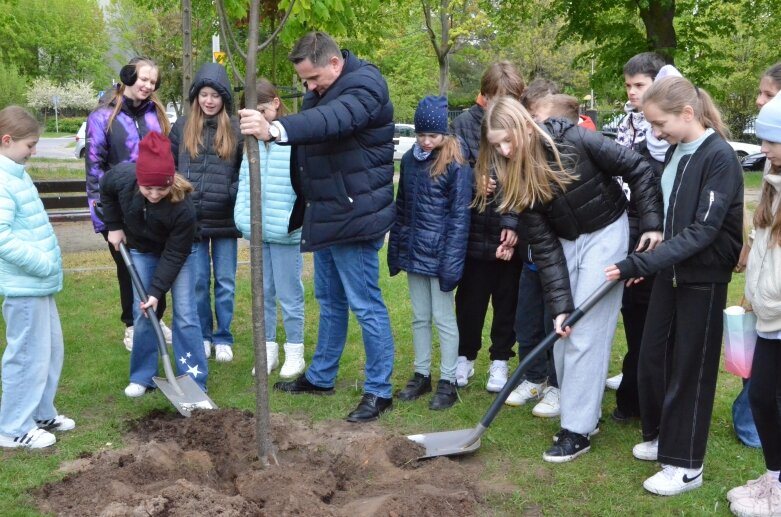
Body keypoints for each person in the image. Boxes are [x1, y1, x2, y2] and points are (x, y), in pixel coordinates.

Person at [476, 96, 662, 463]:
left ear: (527, 126)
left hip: (606, 230)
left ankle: (576, 431)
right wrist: (559, 306)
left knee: (587, 332)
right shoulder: (514, 176)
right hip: (564, 242)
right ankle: (584, 415)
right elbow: (544, 249)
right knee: (564, 332)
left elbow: (638, 168)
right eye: (496, 144)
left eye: (508, 139)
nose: (504, 149)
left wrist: (652, 224)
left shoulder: (577, 140)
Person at [238, 32, 396, 423]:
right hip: (327, 212)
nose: (308, 88)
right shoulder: (324, 90)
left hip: (355, 213)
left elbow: (333, 121)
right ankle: (322, 376)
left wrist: (275, 130)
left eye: (312, 79)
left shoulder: (365, 86)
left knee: (365, 303)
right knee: (330, 299)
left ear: (335, 64)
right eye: (305, 82)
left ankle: (379, 390)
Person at [605, 76, 743, 495]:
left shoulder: (719, 156)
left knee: (690, 369)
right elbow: (673, 220)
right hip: (672, 270)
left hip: (702, 276)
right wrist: (656, 245)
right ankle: (665, 436)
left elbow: (703, 230)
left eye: (660, 124)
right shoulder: (679, 152)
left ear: (687, 113)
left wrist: (640, 262)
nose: (656, 133)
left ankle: (687, 465)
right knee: (651, 358)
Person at [100, 131, 208, 397]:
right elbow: (105, 189)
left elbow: (174, 255)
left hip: (180, 252)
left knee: (185, 314)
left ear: (172, 181)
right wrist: (113, 226)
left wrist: (156, 292)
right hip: (141, 249)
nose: (156, 194)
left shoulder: (183, 208)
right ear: (139, 180)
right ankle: (142, 376)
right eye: (149, 188)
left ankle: (192, 378)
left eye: (162, 188)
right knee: (143, 313)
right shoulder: (123, 178)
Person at [388, 96, 473, 410]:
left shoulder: (456, 162)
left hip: (440, 255)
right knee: (419, 317)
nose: (426, 141)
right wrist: (397, 245)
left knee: (443, 318)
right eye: (421, 134)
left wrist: (451, 261)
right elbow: (402, 206)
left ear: (444, 134)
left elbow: (459, 216)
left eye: (432, 136)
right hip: (414, 252)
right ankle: (422, 373)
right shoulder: (409, 160)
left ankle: (448, 380)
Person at [86, 56, 172, 351]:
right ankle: (133, 324)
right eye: (143, 79)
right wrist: (106, 223)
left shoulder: (156, 115)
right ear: (128, 76)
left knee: (157, 265)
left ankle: (156, 317)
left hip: (154, 204)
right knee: (128, 269)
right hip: (119, 211)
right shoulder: (102, 117)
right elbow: (95, 169)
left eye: (152, 81)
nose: (148, 85)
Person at [0, 106, 74, 449]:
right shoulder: (2, 179)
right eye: (30, 145)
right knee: (27, 354)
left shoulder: (16, 172)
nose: (34, 151)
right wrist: (42, 264)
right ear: (7, 140)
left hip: (39, 284)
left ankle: (41, 412)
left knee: (50, 350)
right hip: (24, 285)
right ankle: (14, 427)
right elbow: (2, 239)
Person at [451, 61, 524, 393]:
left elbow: (527, 178)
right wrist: (472, 180)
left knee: (507, 299)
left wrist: (513, 221)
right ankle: (465, 356)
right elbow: (452, 168)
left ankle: (500, 360)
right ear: (484, 95)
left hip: (509, 233)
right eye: (498, 98)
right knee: (470, 301)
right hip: (473, 230)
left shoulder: (522, 126)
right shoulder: (464, 123)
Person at [608, 53, 675, 422]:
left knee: (656, 330)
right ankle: (632, 398)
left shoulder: (669, 137)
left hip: (660, 243)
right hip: (631, 234)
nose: (633, 93)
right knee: (635, 321)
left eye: (640, 86)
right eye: (629, 86)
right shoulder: (628, 127)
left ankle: (648, 400)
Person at [727, 94, 781, 517]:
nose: (764, 149)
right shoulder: (771, 179)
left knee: (767, 396)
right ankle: (775, 477)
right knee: (761, 397)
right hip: (769, 315)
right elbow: (762, 242)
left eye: (773, 141)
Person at [169, 63, 242, 363]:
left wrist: (232, 193)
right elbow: (171, 169)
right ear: (196, 97)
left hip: (225, 219)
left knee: (225, 281)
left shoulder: (236, 128)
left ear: (224, 98)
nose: (209, 101)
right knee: (198, 282)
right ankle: (204, 335)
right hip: (193, 220)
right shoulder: (182, 126)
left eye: (215, 95)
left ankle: (224, 335)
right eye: (204, 95)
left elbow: (243, 172)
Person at [235, 78, 306, 378]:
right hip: (258, 229)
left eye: (262, 110)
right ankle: (267, 351)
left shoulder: (292, 138)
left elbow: (301, 184)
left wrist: (293, 219)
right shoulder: (249, 143)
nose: (258, 119)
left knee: (289, 294)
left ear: (276, 103)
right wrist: (243, 213)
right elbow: (244, 182)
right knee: (262, 292)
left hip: (285, 231)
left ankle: (295, 351)